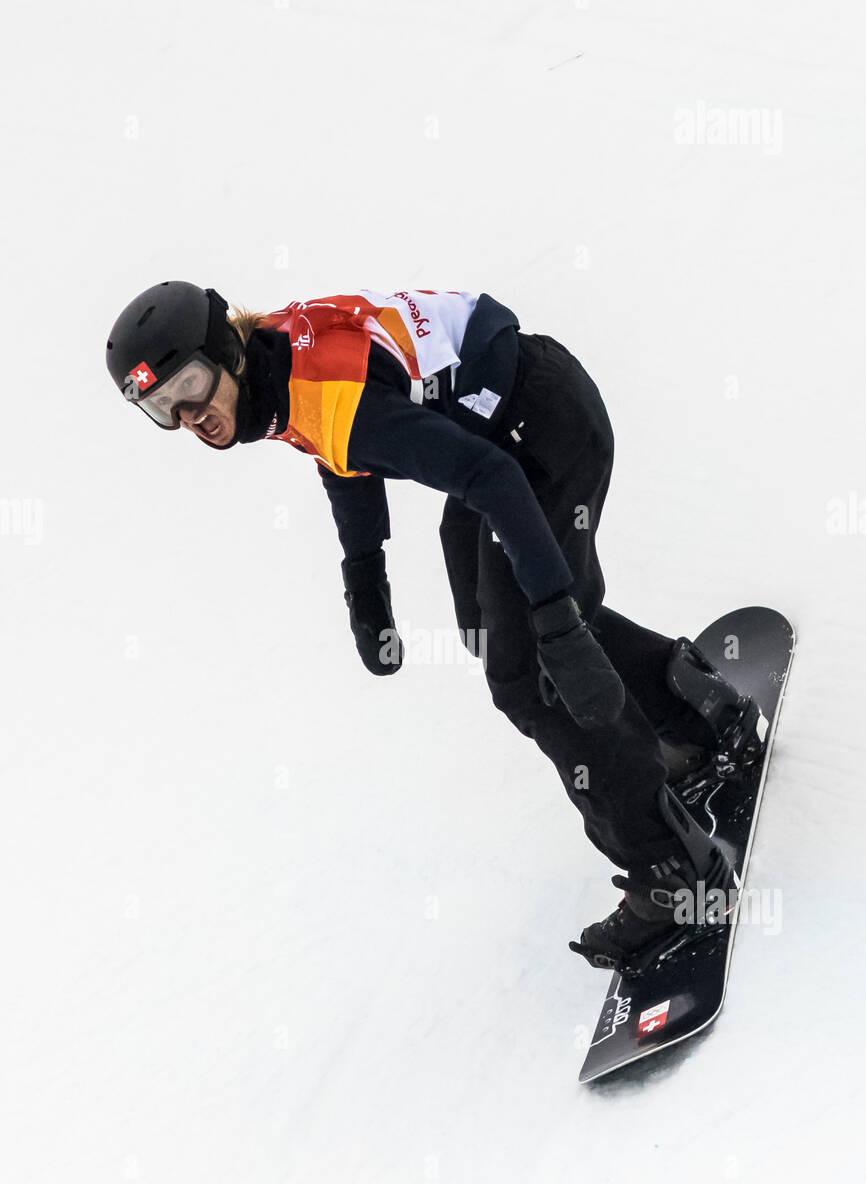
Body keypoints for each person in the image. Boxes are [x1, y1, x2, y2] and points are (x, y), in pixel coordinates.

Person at [106, 281, 764, 974]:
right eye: (161, 406)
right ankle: (694, 712)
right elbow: (336, 448)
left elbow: (463, 464)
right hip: (508, 426)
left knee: (531, 669)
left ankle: (674, 876)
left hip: (540, 438)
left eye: (191, 384)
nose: (188, 415)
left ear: (225, 356)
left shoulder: (319, 389)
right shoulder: (272, 363)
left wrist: (557, 624)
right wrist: (365, 575)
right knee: (493, 624)